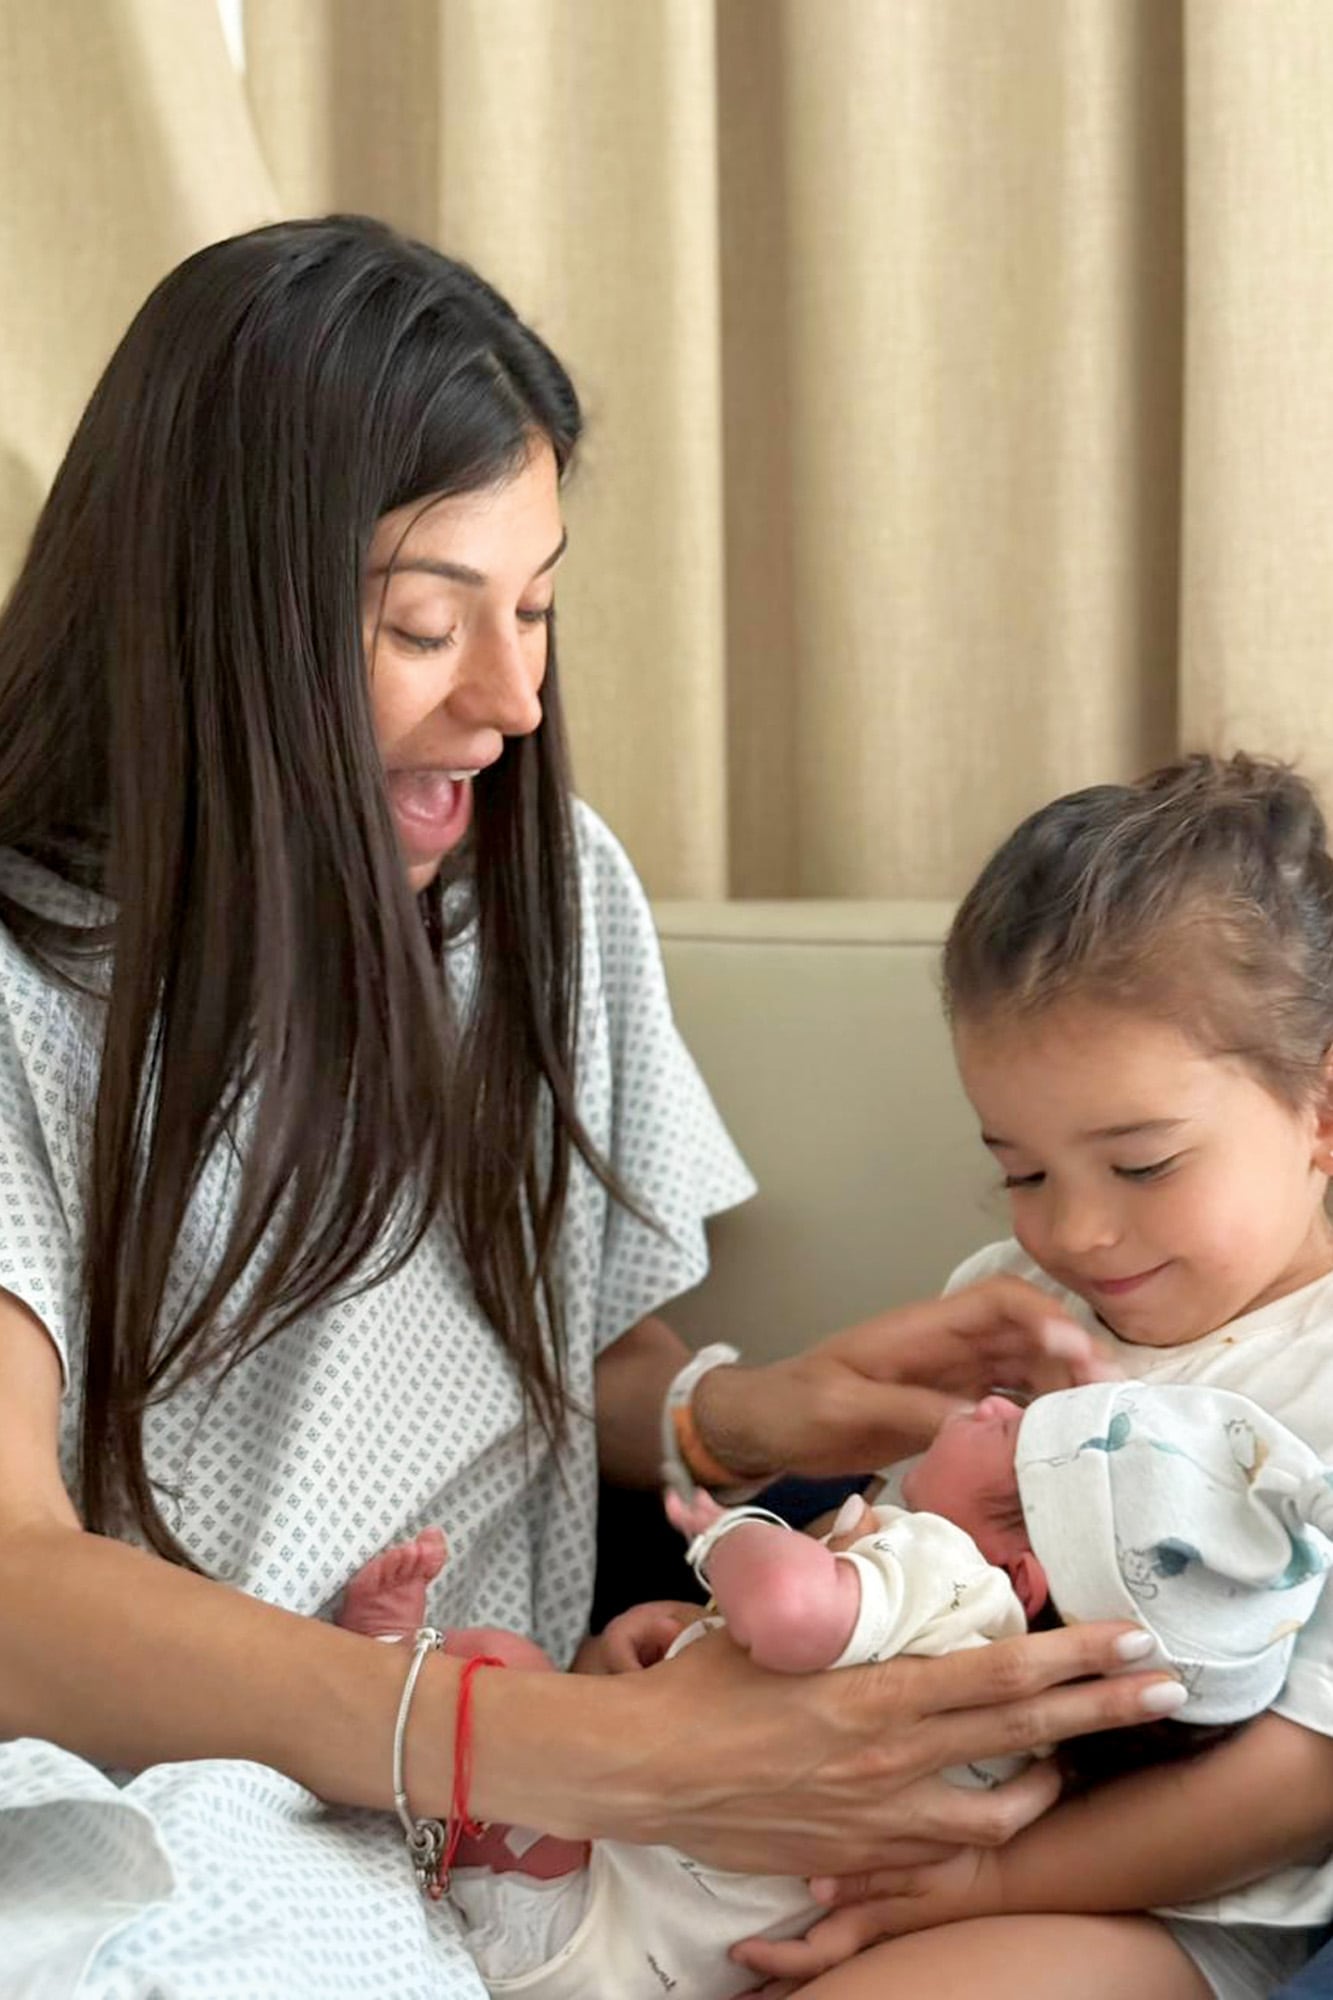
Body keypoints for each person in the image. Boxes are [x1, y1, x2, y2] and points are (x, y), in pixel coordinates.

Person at [0, 215, 1164, 1997]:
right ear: (209, 608)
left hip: (511, 1839)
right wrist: (591, 1755)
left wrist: (735, 1413)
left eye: (535, 607)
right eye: (421, 622)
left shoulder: (534, 894)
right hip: (187, 1781)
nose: (512, 699)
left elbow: (555, 1362)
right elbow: (14, 1585)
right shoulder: (28, 988)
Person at [739, 753, 1333, 2000]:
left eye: (1141, 1164)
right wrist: (724, 1630)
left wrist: (991, 1887)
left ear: (1319, 1107)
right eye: (1019, 1169)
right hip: (903, 1807)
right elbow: (902, 1569)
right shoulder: (1020, 1305)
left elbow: (1298, 1779)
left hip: (1168, 1898)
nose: (1074, 1233)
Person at [336, 1377, 1333, 2000]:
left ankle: (386, 1681)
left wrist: (732, 1537)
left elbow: (789, 1621)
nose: (991, 1403)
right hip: (665, 1956)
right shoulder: (1029, 1737)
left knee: (497, 1663)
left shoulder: (949, 1570)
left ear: (1019, 1569)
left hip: (576, 1904)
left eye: (1018, 1434)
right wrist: (699, 1636)